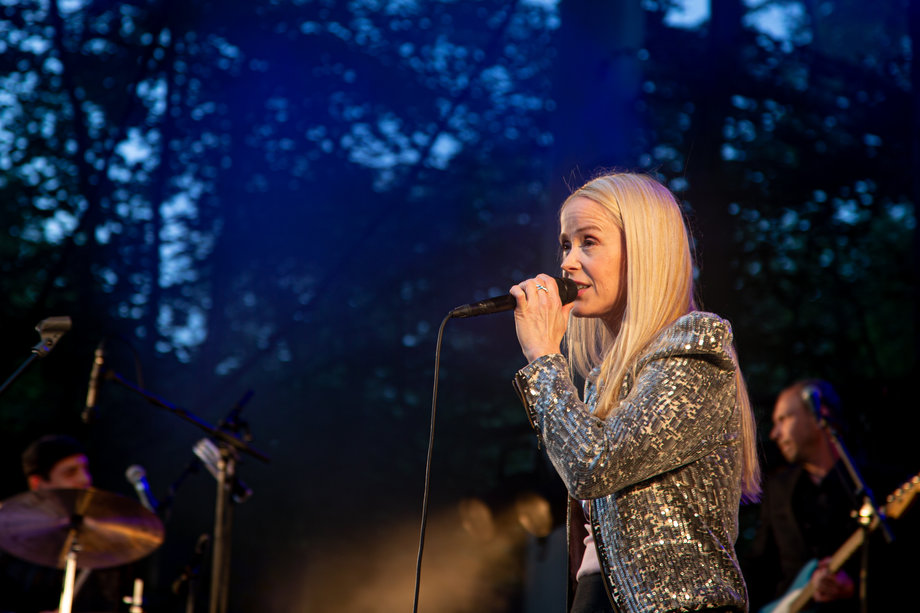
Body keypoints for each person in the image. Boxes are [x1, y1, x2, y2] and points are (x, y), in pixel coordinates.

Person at [510, 172, 760, 613]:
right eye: (566, 245)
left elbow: (592, 466)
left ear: (643, 251)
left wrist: (543, 358)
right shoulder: (600, 382)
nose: (567, 262)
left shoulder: (694, 349)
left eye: (588, 242)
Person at [743, 380, 880, 612]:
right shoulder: (778, 490)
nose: (775, 434)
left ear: (819, 414)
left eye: (784, 419)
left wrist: (855, 588)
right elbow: (760, 567)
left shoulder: (872, 484)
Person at [0, 434, 130, 613]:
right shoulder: (8, 533)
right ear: (37, 483)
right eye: (70, 473)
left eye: (85, 469)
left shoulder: (101, 537)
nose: (84, 479)